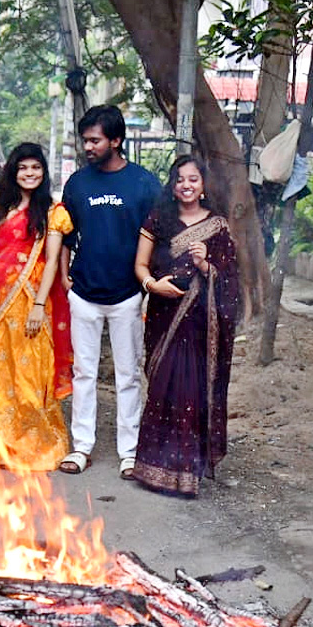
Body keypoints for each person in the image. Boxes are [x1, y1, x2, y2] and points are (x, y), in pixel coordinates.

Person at [59, 104, 161, 479]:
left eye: (95, 140)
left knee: (128, 375)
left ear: (116, 140)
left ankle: (129, 453)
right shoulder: (78, 183)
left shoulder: (144, 184)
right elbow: (65, 234)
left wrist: (148, 282)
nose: (88, 146)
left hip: (127, 295)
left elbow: (158, 237)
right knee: (83, 373)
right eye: (85, 140)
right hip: (83, 292)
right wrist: (63, 276)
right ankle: (81, 448)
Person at [130, 156, 239, 498]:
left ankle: (185, 472)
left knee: (190, 391)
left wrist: (204, 265)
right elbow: (140, 265)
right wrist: (152, 286)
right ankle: (152, 467)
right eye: (180, 179)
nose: (187, 185)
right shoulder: (159, 219)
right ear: (172, 185)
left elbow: (231, 282)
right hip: (163, 315)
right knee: (162, 386)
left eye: (193, 179)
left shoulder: (218, 228)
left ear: (204, 185)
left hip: (197, 325)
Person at [0, 143, 73, 470]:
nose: (30, 174)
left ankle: (33, 444)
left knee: (31, 371)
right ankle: (1, 446)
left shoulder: (53, 212)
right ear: (13, 171)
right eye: (23, 168)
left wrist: (40, 304)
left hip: (32, 301)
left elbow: (53, 260)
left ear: (43, 172)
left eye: (36, 168)